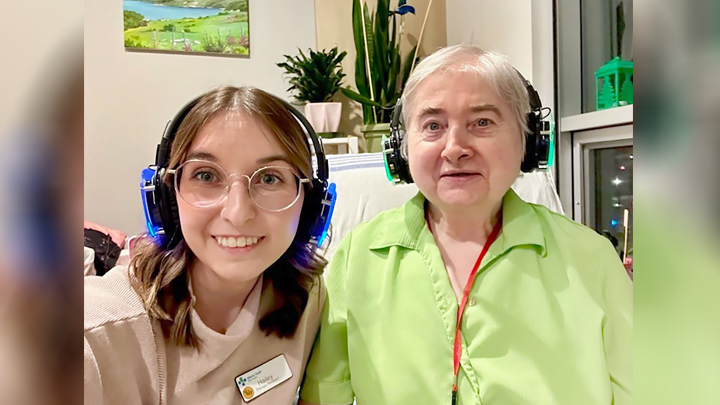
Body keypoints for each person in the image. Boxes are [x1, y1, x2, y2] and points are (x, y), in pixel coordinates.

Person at [299, 45, 632, 405]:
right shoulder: (356, 258)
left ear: (529, 140)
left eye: (482, 122)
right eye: (432, 126)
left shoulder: (590, 259)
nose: (455, 147)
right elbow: (324, 394)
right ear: (402, 149)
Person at [85, 86, 334, 404]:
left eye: (269, 178)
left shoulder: (307, 296)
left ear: (312, 205)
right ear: (165, 200)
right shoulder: (97, 331)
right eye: (205, 175)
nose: (238, 213)